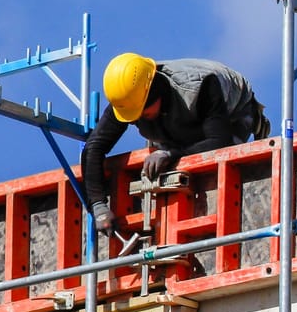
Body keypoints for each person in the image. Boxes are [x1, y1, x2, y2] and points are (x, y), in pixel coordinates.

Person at [81, 54, 268, 235]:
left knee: (216, 163)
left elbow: (220, 143)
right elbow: (94, 148)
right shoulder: (128, 98)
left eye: (143, 112)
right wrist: (98, 206)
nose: (138, 118)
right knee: (161, 162)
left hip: (232, 114)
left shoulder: (201, 87)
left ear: (156, 92)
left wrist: (171, 154)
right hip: (177, 123)